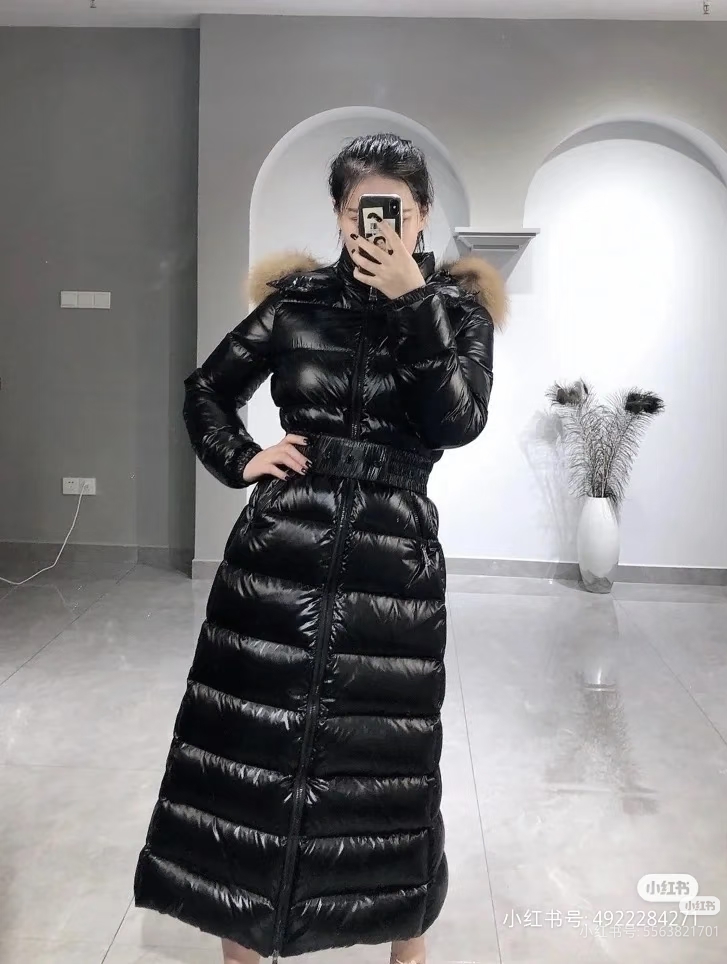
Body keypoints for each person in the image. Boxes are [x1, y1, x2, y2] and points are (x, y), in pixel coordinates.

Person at [133, 132, 506, 964]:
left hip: (392, 564)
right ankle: (242, 940)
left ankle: (405, 943)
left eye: (395, 210)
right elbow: (207, 391)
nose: (375, 225)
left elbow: (458, 421)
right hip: (279, 554)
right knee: (249, 750)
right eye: (358, 209)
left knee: (384, 761)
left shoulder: (458, 313)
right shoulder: (295, 303)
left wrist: (414, 303)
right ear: (339, 214)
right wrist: (243, 457)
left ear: (422, 215)